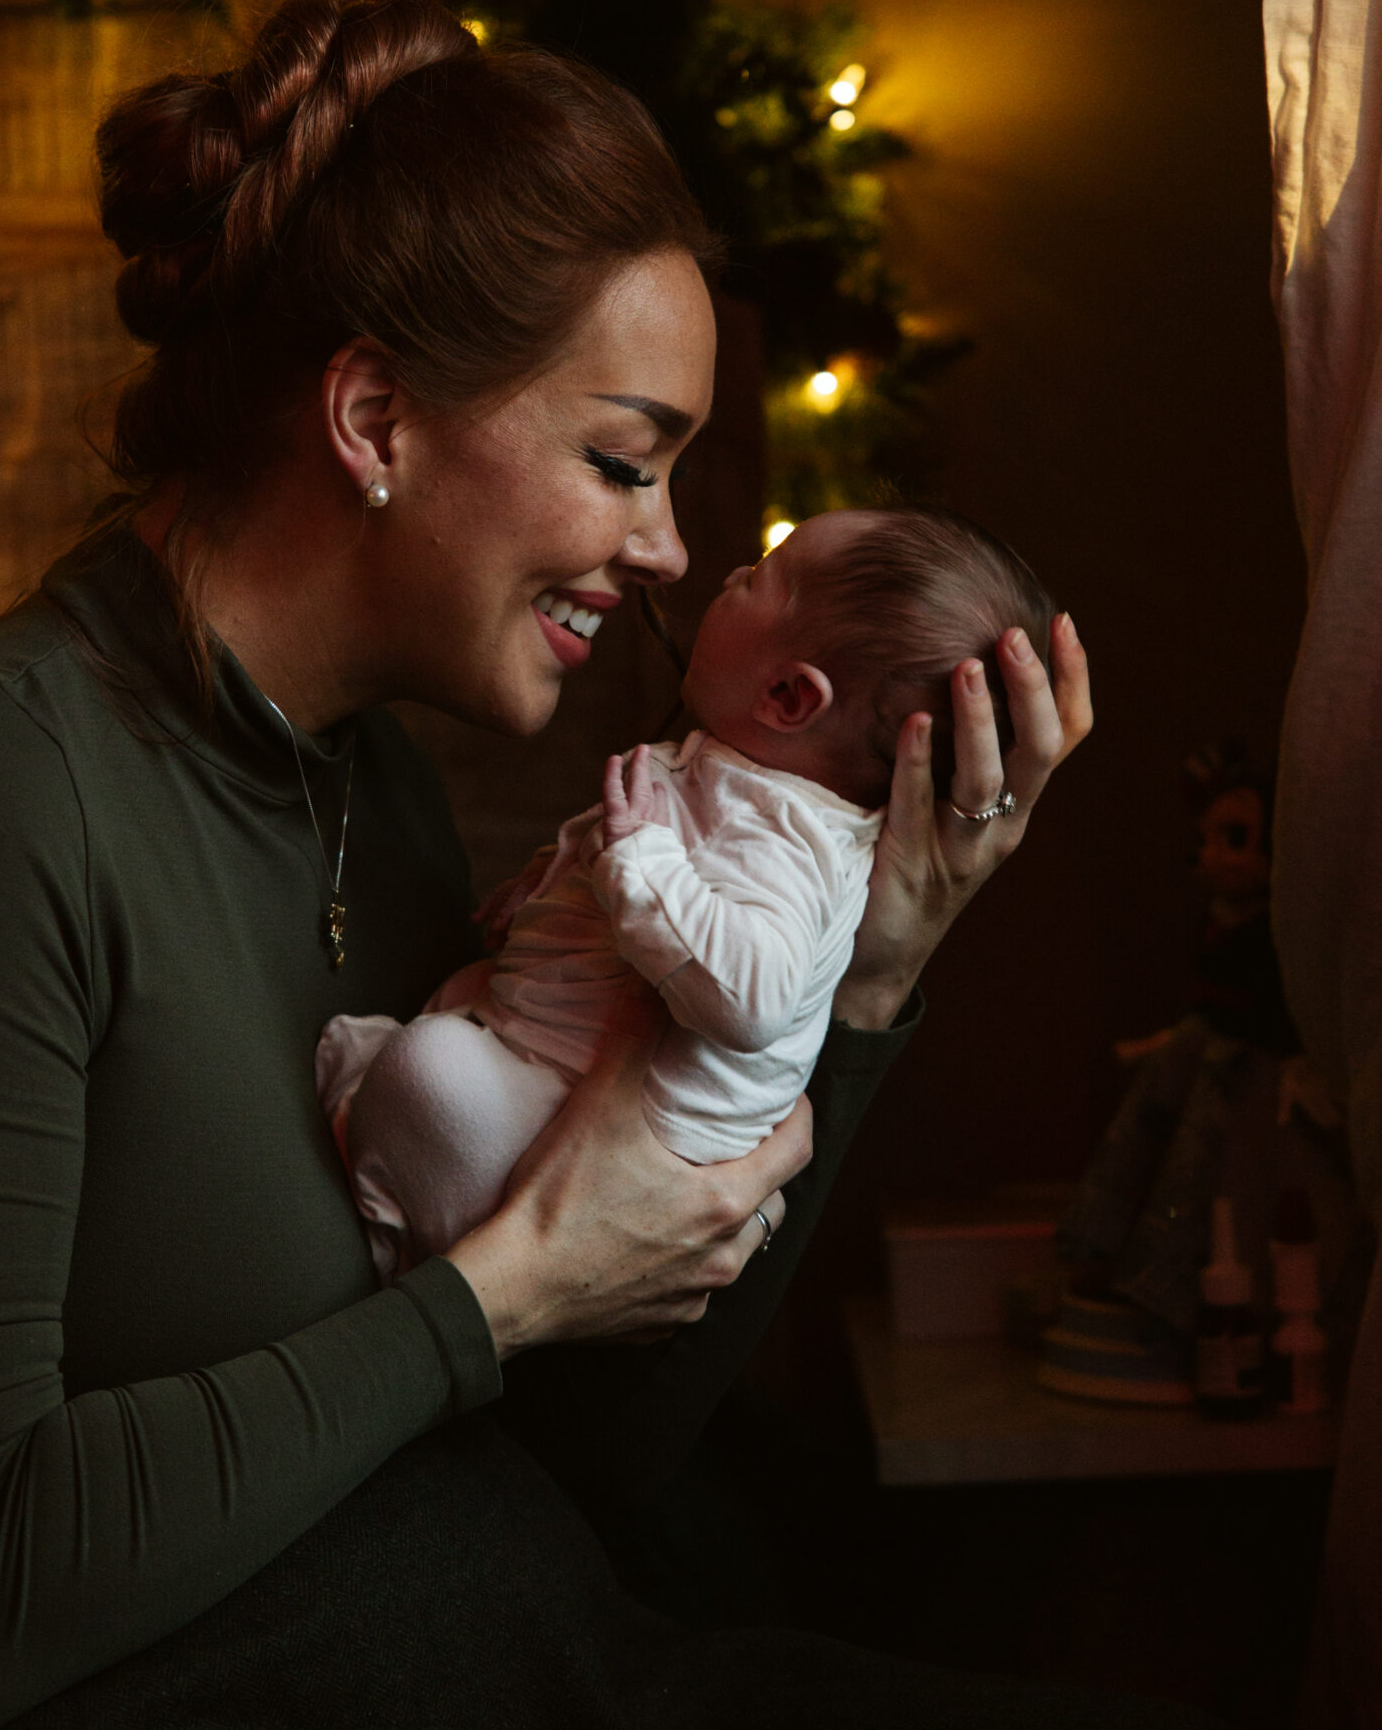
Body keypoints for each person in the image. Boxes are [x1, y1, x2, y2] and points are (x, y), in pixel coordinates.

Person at [0, 0, 1382, 1730]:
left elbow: (586, 1435)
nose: (660, 552)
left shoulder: (369, 781)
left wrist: (866, 984)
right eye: (626, 459)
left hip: (510, 1660)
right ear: (375, 414)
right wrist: (487, 1295)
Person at [321, 507, 1053, 1277]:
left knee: (429, 1068)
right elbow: (634, 854)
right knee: (420, 1030)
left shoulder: (787, 838)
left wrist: (636, 865)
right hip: (545, 1091)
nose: (727, 575)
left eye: (759, 579)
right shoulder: (750, 783)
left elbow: (752, 997)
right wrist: (544, 885)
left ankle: (394, 1241)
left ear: (791, 698)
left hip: (589, 1163)